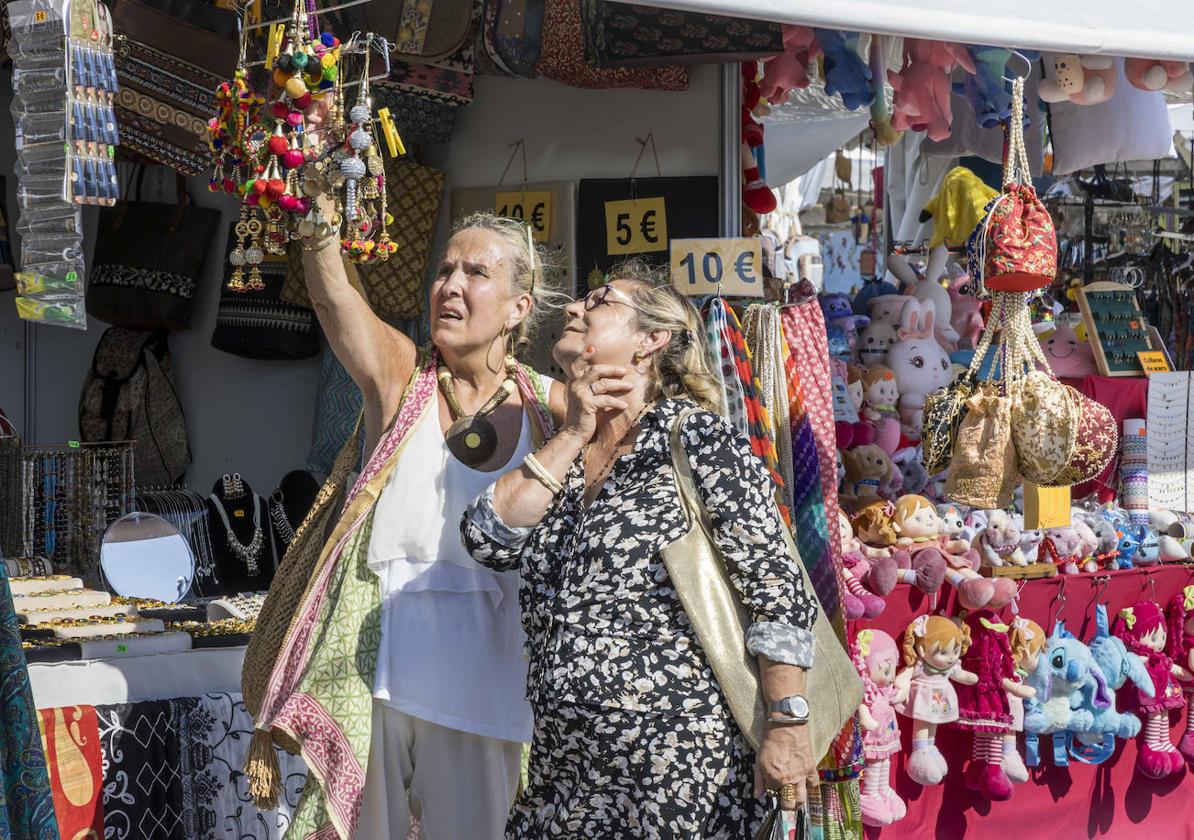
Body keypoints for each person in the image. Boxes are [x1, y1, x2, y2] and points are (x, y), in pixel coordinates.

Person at [460, 261, 822, 838]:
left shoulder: (696, 441)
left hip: (677, 770)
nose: (575, 307)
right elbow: (486, 539)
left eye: (600, 301)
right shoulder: (566, 451)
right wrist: (575, 433)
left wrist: (788, 723)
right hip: (566, 770)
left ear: (652, 340)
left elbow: (776, 588)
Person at [258, 213, 566, 839]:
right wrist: (318, 219)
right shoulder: (403, 379)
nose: (450, 285)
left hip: (495, 689)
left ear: (517, 308)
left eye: (476, 273)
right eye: (445, 270)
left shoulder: (553, 408)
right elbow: (334, 298)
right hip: (385, 683)